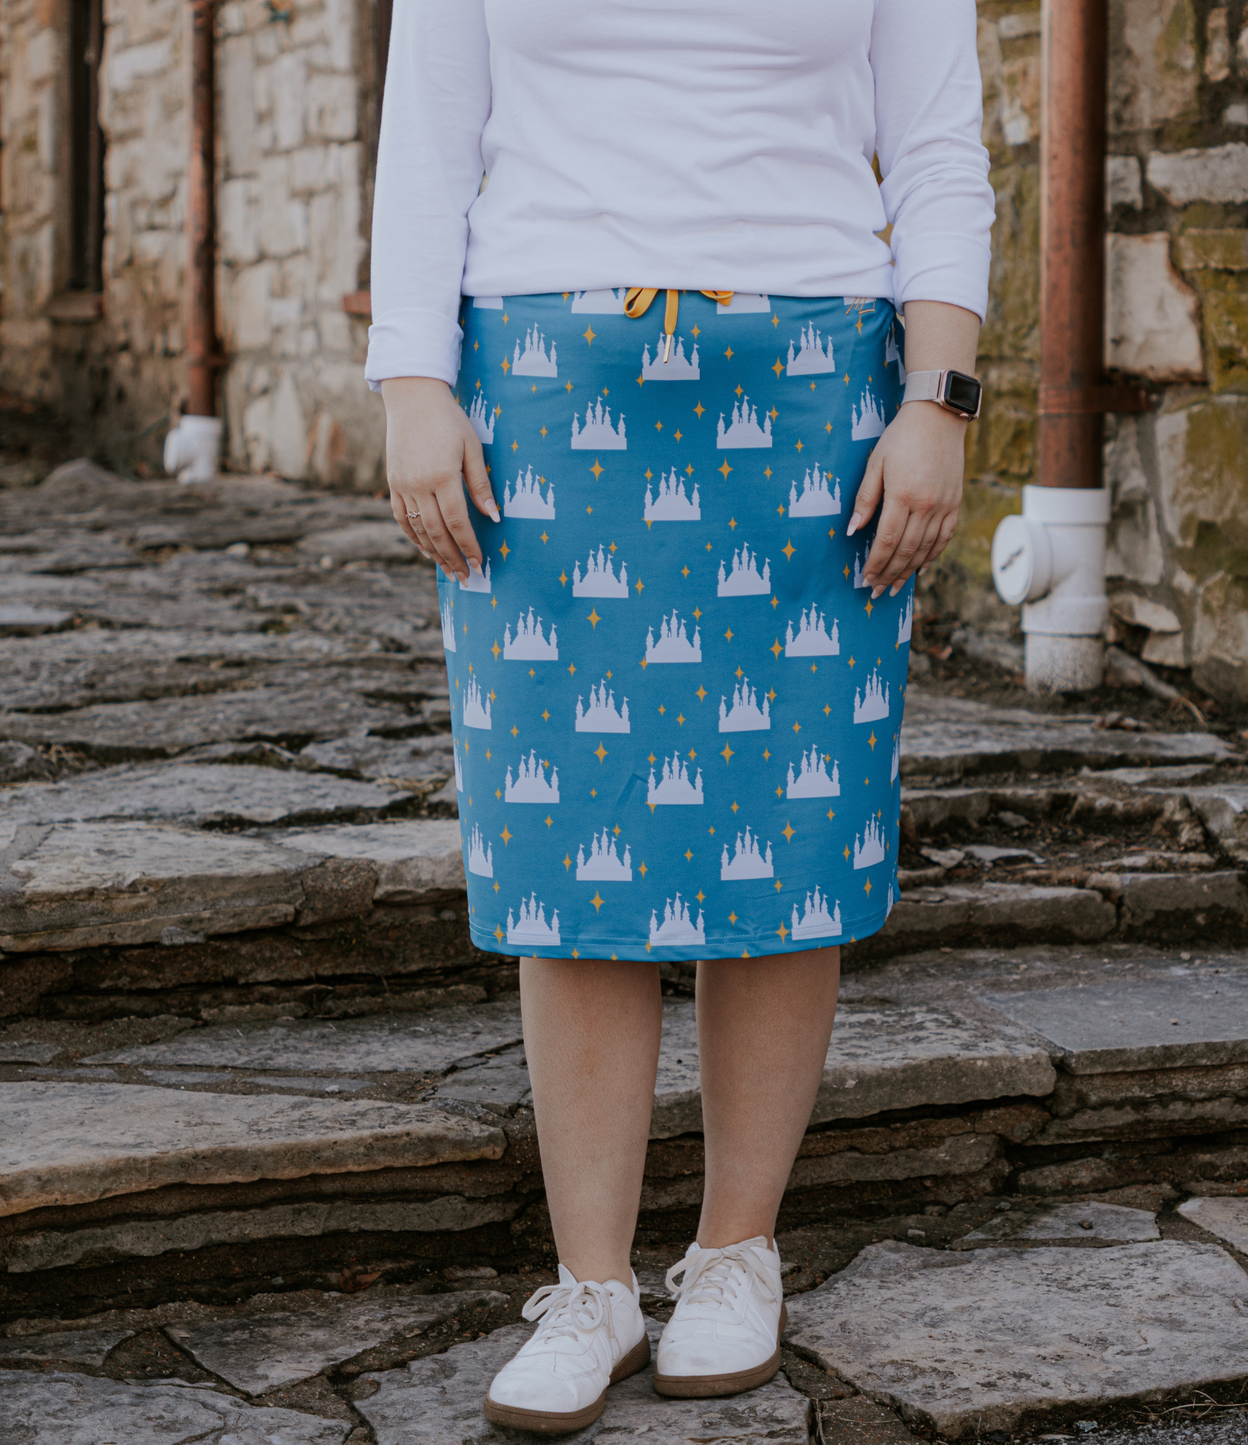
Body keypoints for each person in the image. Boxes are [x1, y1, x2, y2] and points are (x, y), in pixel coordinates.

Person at [365, 2, 992, 1432]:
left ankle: (733, 1258)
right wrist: (415, 380)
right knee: (564, 827)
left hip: (819, 385)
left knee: (789, 822)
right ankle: (590, 1286)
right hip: (543, 381)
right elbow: (426, 144)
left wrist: (940, 401)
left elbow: (940, 150)